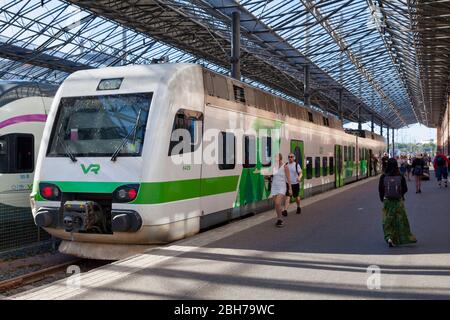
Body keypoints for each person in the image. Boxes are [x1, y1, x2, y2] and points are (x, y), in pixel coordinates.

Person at [378, 158, 417, 247]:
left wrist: (382, 199)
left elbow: (380, 189)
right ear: (396, 165)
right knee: (400, 220)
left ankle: (389, 237)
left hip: (387, 201)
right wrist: (400, 195)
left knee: (387, 220)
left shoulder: (383, 176)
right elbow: (405, 189)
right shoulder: (400, 176)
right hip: (398, 202)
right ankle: (402, 238)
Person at [270, 153, 292, 228]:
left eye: (277, 158)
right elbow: (272, 176)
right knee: (276, 205)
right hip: (274, 186)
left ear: (280, 158)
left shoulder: (285, 166)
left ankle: (280, 219)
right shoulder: (274, 167)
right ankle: (279, 218)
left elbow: (288, 178)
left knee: (277, 202)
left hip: (282, 187)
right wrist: (267, 176)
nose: (275, 159)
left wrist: (290, 189)